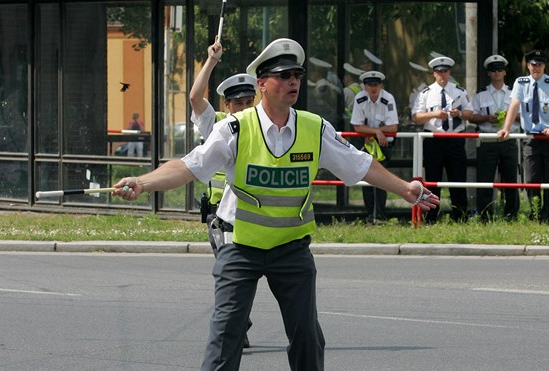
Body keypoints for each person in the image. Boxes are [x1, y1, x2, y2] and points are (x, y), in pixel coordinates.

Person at [112, 38, 439, 371]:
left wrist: (404, 188)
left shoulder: (314, 128)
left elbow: (359, 164)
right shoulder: (235, 129)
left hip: (291, 249)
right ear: (262, 85)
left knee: (307, 336)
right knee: (226, 334)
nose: (293, 81)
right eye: (283, 76)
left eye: (296, 74)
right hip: (240, 245)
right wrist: (141, 182)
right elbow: (188, 166)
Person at [189, 36, 257, 348]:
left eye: (248, 101)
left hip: (250, 214)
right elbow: (194, 97)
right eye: (237, 103)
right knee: (229, 270)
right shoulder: (215, 125)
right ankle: (238, 321)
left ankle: (237, 320)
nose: (243, 107)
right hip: (219, 217)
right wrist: (211, 62)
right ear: (226, 105)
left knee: (238, 273)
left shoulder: (260, 127)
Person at [412, 56, 473, 222]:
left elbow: (470, 113)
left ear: (449, 72)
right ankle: (431, 216)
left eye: (445, 71)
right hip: (434, 140)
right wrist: (433, 114)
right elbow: (416, 117)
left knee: (458, 179)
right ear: (433, 73)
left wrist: (458, 113)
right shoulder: (425, 93)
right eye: (439, 72)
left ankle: (460, 216)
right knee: (432, 179)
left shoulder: (459, 91)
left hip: (455, 139)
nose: (442, 75)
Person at [498, 50, 549, 223]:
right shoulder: (521, 82)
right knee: (531, 178)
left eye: (540, 64)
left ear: (544, 66)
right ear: (528, 66)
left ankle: (546, 214)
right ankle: (535, 212)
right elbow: (514, 105)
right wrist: (506, 128)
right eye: (533, 64)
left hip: (548, 137)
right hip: (530, 138)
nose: (536, 68)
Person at [469, 55, 520, 221]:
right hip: (488, 140)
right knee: (485, 180)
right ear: (489, 74)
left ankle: (511, 215)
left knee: (511, 179)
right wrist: (486, 118)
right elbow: (472, 117)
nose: (497, 73)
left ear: (505, 72)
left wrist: (510, 118)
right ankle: (484, 215)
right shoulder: (480, 95)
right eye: (493, 70)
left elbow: (523, 116)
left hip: (509, 140)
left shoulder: (514, 93)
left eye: (499, 69)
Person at [351, 71, 398, 223]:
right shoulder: (360, 98)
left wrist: (375, 133)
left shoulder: (388, 98)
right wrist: (377, 131)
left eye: (376, 84)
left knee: (381, 179)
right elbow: (357, 127)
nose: (373, 88)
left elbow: (393, 128)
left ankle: (380, 215)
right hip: (366, 141)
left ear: (381, 85)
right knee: (366, 177)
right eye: (370, 85)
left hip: (382, 144)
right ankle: (370, 214)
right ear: (365, 86)